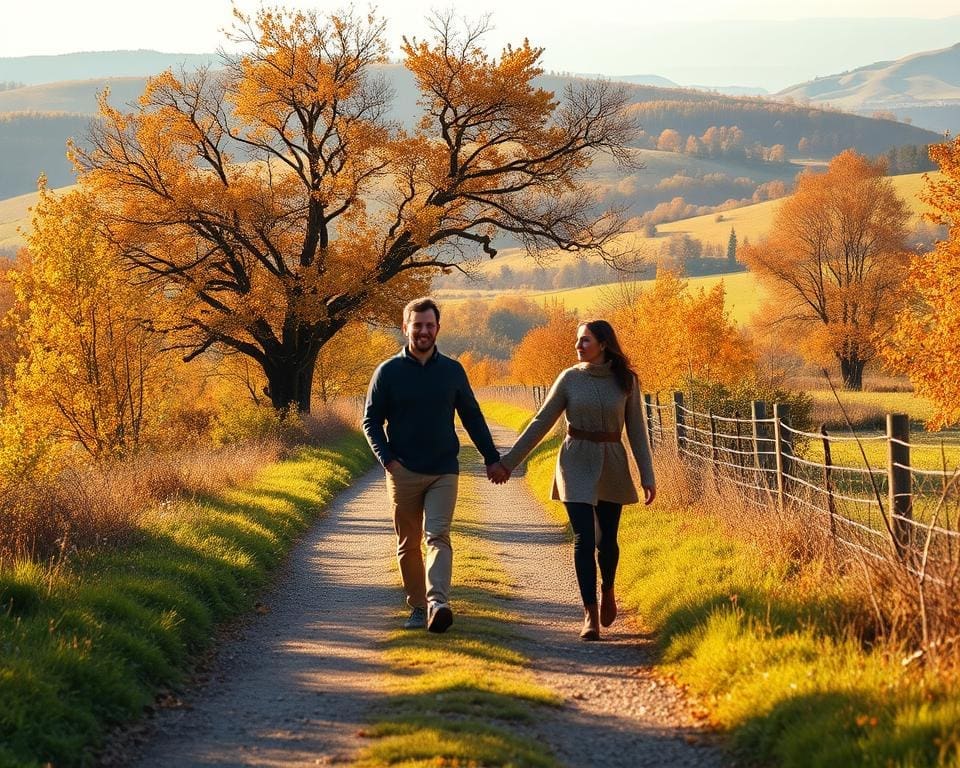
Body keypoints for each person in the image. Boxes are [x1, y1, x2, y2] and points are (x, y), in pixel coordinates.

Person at [492, 320, 655, 641]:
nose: (578, 346)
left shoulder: (626, 381)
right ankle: (589, 614)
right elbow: (541, 422)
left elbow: (637, 430)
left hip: (612, 460)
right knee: (583, 539)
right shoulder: (569, 378)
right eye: (578, 341)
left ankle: (608, 589)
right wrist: (509, 463)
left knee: (607, 540)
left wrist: (647, 475)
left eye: (585, 341)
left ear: (603, 344)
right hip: (574, 460)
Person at [362, 297, 503, 633]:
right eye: (417, 325)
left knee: (437, 535)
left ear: (437, 328)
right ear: (406, 327)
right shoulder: (388, 372)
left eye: (429, 325)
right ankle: (418, 606)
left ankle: (438, 602)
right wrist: (388, 460)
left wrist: (491, 458)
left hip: (443, 470)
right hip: (403, 471)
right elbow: (370, 421)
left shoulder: (452, 371)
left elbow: (472, 416)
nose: (423, 331)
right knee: (408, 544)